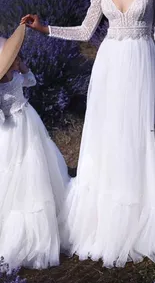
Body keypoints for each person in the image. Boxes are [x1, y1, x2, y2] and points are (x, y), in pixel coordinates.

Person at [21, 0, 155, 268]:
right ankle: (110, 212)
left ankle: (142, 206)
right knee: (110, 137)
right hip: (110, 69)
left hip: (143, 65)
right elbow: (85, 31)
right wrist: (45, 28)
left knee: (142, 134)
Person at [0, 33, 69, 270]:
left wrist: (24, 68)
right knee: (16, 169)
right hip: (11, 129)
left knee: (38, 161)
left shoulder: (16, 71)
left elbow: (31, 82)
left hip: (28, 119)